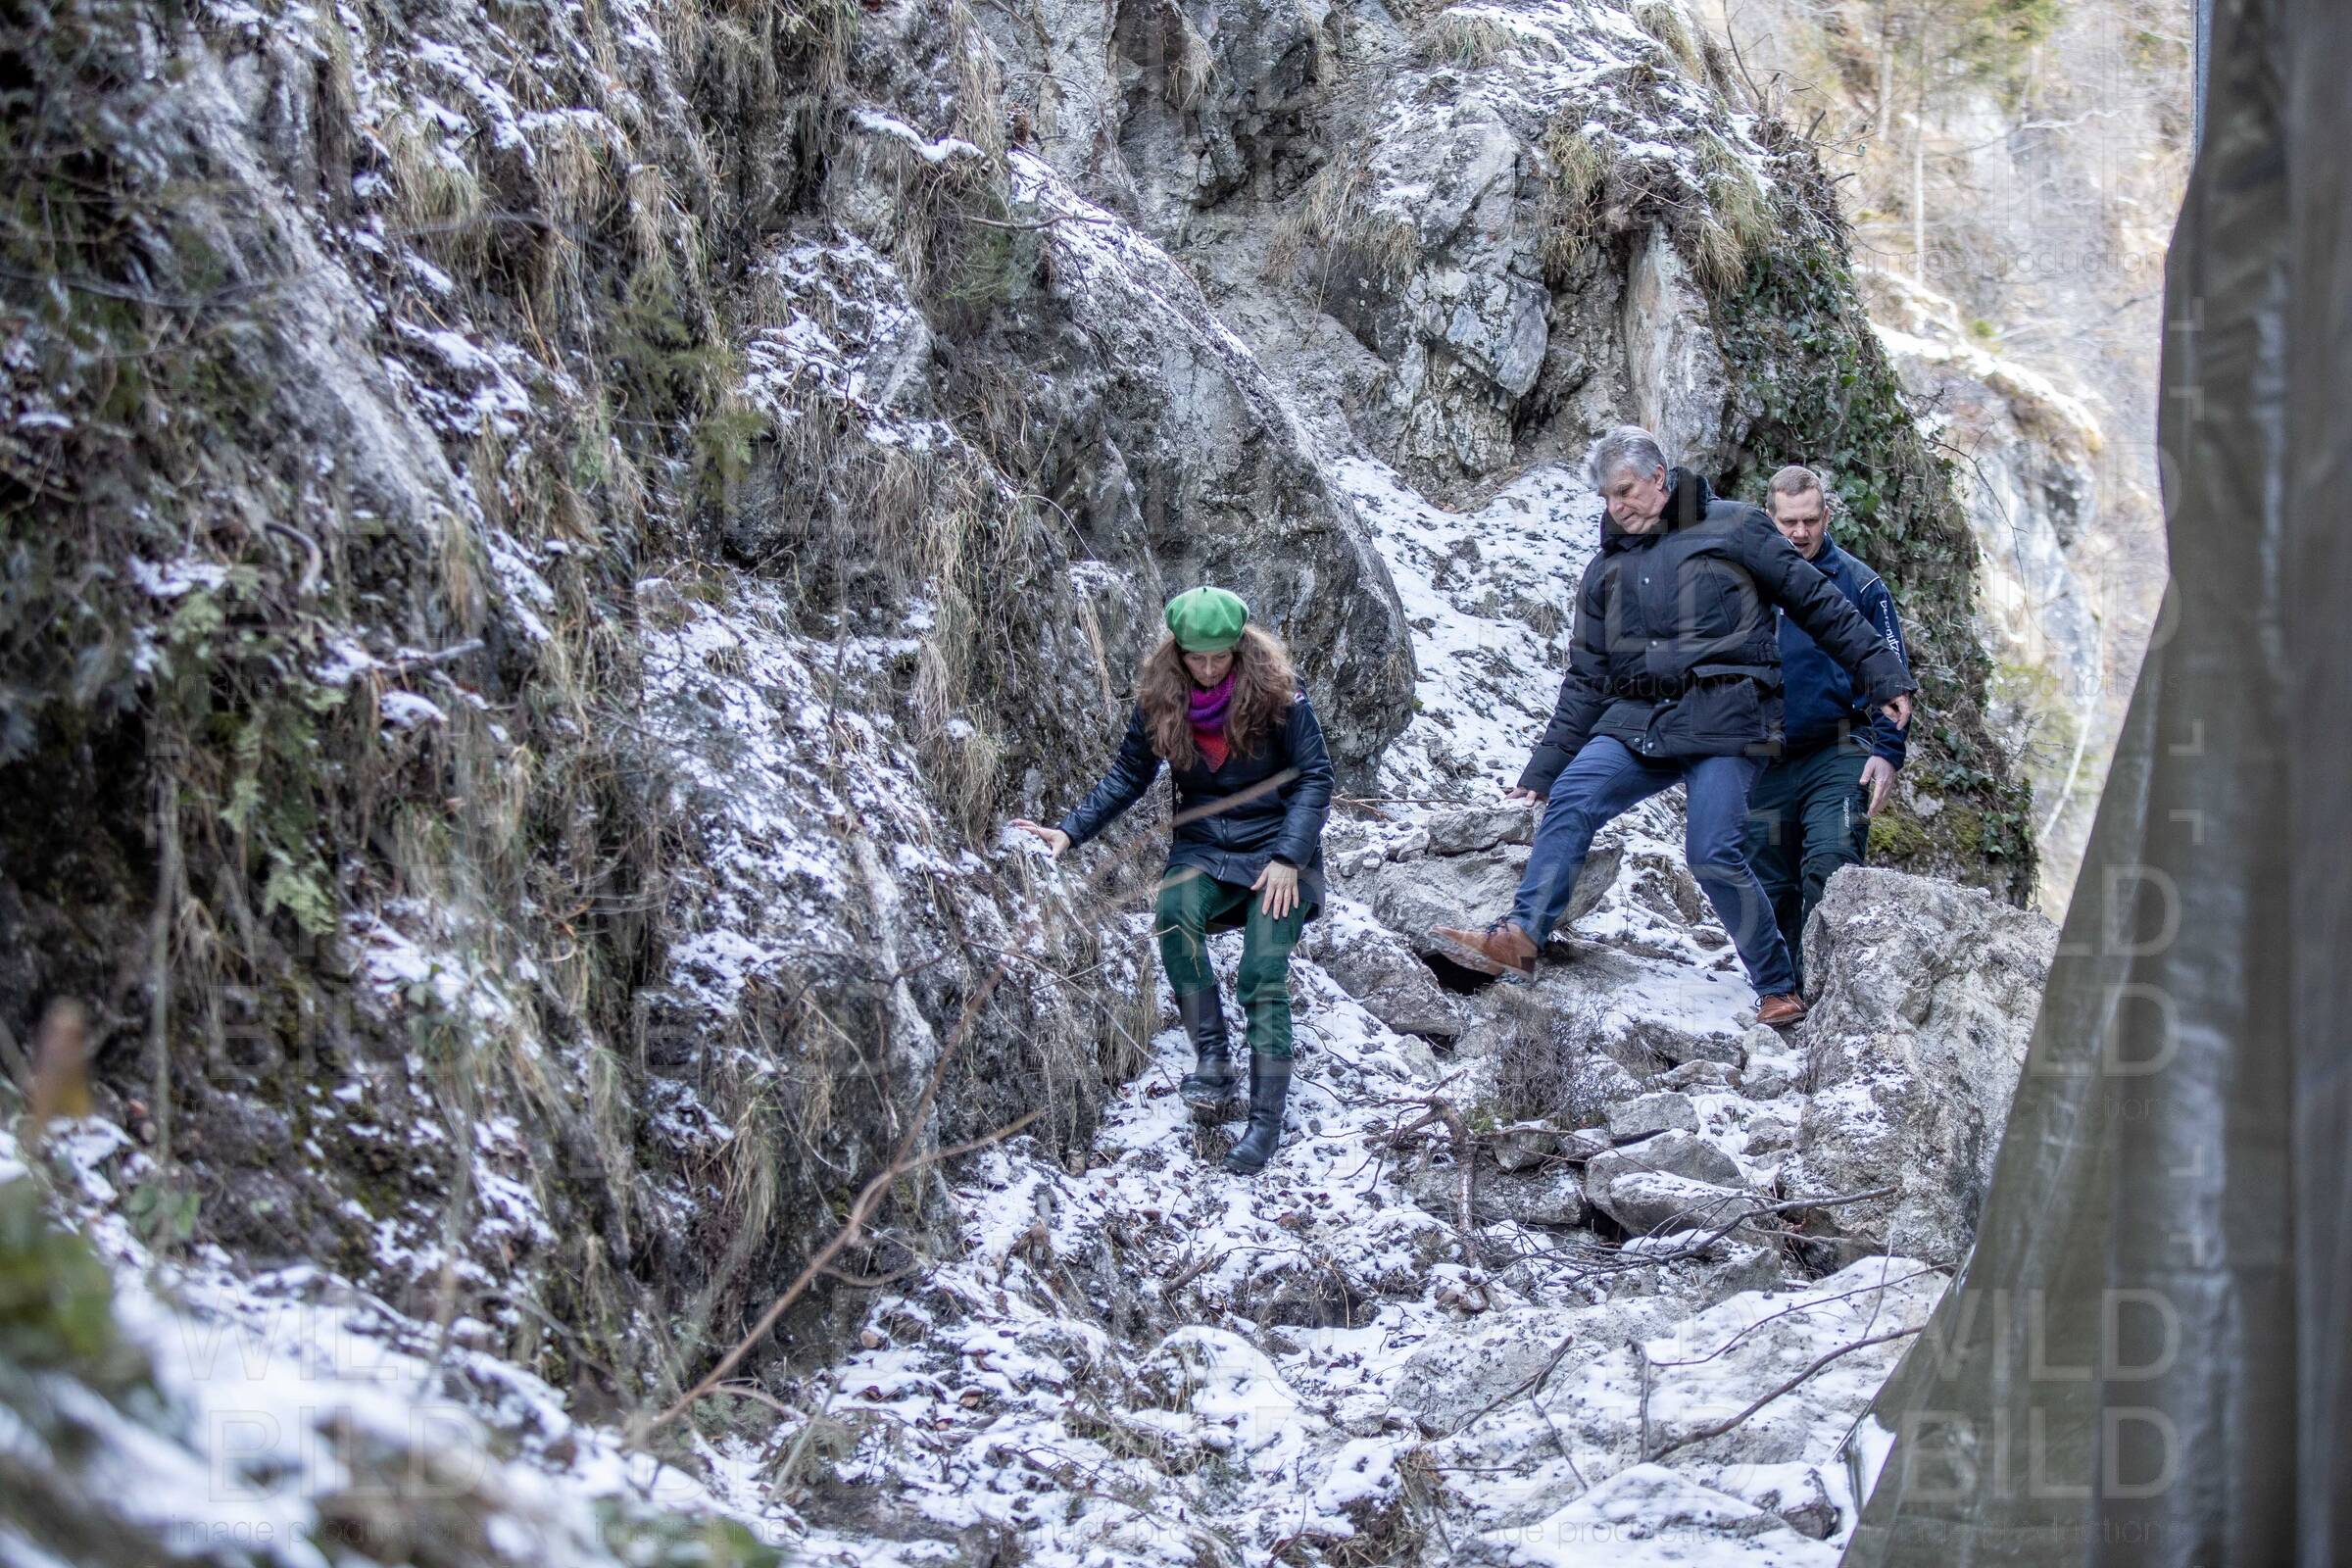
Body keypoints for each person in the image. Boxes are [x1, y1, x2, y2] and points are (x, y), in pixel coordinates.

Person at [1435, 427, 1916, 1028]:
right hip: (1639, 720)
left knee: (1712, 852)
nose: (1617, 507)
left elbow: (1816, 601)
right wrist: (1544, 768)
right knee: (1574, 795)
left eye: (1625, 491)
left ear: (1659, 477)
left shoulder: (1735, 526)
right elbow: (1586, 679)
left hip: (1729, 719)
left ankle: (1777, 985)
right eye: (1608, 497)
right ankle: (1520, 937)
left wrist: (1881, 673)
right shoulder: (1605, 569)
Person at [1010, 586, 1333, 1174]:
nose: (1208, 669)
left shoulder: (1282, 696)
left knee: (1262, 970)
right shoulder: (1160, 700)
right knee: (1173, 916)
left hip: (1280, 853)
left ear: (1241, 649)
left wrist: (1290, 856)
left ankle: (1265, 1122)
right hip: (1203, 848)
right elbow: (1128, 774)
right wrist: (1070, 831)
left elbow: (1316, 777)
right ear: (1177, 653)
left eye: (1220, 657)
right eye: (1196, 658)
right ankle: (1213, 1060)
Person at [1743, 466, 1913, 989]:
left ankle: (1825, 990)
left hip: (1838, 748)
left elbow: (1891, 674)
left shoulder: (1862, 584)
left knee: (1832, 862)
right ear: (1769, 518)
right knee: (1767, 881)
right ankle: (1781, 991)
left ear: (1827, 515)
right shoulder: (1744, 580)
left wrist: (1888, 751)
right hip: (1762, 757)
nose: (1800, 533)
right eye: (1788, 522)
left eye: (1810, 520)